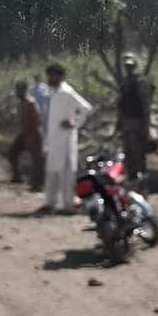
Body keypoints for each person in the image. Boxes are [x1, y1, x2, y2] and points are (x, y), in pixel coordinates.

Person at [40, 63, 93, 214]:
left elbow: (86, 108)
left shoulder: (68, 92)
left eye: (53, 75)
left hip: (65, 139)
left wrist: (75, 123)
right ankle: (50, 203)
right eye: (49, 75)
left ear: (61, 76)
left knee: (66, 172)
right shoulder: (52, 92)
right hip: (53, 138)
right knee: (51, 171)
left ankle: (68, 205)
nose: (51, 78)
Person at [116, 56, 150, 180]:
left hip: (137, 120)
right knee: (127, 149)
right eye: (126, 67)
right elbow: (120, 105)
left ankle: (141, 176)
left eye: (130, 67)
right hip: (126, 120)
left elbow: (145, 105)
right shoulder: (124, 83)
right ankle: (130, 175)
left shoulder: (140, 82)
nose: (128, 69)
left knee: (138, 150)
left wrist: (145, 126)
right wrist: (119, 123)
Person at [8, 81, 45, 192]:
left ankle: (38, 185)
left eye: (19, 90)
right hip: (23, 134)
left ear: (24, 90)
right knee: (12, 153)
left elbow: (37, 121)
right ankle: (17, 177)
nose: (17, 92)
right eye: (16, 90)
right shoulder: (21, 103)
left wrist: (32, 136)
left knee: (37, 160)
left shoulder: (31, 103)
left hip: (33, 134)